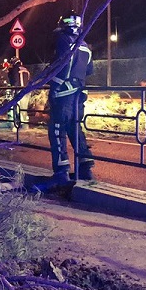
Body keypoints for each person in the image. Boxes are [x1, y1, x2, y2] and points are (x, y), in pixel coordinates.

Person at [47, 11, 94, 183]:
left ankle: (61, 172)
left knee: (57, 130)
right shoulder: (84, 45)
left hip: (64, 94)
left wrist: (54, 87)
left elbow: (63, 64)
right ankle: (85, 166)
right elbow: (89, 70)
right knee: (75, 129)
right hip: (79, 94)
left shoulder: (63, 40)